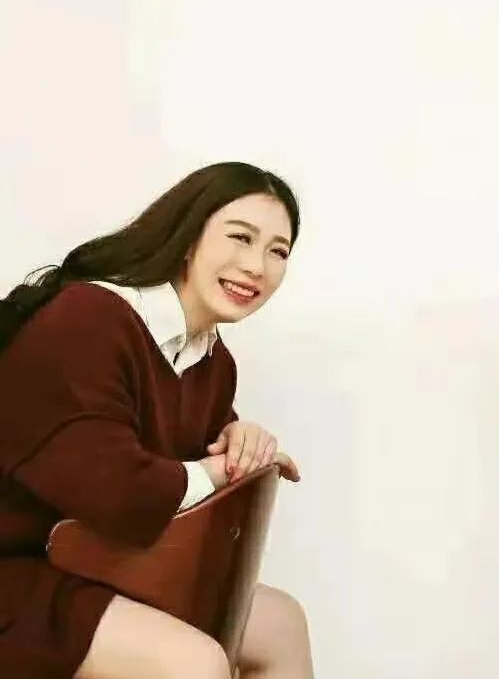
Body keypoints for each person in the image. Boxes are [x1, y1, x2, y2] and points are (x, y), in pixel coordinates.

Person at [0, 162, 314, 678]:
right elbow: (114, 489)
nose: (256, 266)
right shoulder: (89, 317)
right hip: (19, 570)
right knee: (192, 661)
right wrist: (222, 470)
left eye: (278, 251)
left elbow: (193, 498)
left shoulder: (212, 362)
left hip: (97, 566)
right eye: (240, 237)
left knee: (281, 623)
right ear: (188, 237)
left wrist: (240, 442)